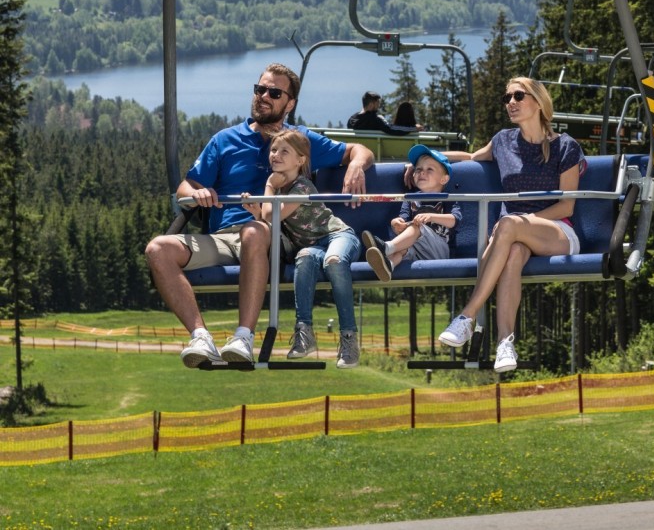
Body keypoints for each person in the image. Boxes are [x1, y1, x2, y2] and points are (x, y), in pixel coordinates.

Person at [145, 63, 373, 368]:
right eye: (259, 89)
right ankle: (200, 336)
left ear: (289, 103)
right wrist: (195, 193)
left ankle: (243, 336)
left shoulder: (297, 141)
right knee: (158, 249)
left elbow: (358, 150)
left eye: (274, 93)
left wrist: (356, 165)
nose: (264, 96)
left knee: (254, 231)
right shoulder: (225, 141)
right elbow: (188, 185)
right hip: (225, 237)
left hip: (272, 235)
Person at [433, 77, 584, 373]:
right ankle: (505, 343)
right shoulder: (503, 141)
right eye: (507, 98)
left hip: (556, 231)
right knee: (513, 251)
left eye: (518, 96)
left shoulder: (565, 146)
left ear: (539, 102)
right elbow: (472, 157)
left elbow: (567, 205)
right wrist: (427, 159)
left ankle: (467, 316)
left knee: (509, 226)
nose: (511, 103)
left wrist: (522, 222)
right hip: (512, 234)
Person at [241, 129, 363, 368]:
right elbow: (267, 218)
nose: (276, 155)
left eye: (284, 151)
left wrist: (268, 186)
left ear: (300, 160)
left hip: (338, 236)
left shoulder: (302, 187)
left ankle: (349, 338)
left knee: (334, 261)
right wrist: (254, 210)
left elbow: (272, 215)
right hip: (313, 246)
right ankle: (304, 332)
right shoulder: (280, 191)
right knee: (304, 257)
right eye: (274, 150)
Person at [362, 144, 461, 283]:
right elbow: (402, 219)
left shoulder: (448, 198)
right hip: (417, 251)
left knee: (416, 227)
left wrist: (431, 217)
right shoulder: (411, 198)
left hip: (440, 252)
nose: (422, 172)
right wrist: (396, 223)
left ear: (444, 179)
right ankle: (388, 265)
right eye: (418, 169)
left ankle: (385, 248)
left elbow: (454, 220)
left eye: (429, 169)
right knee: (402, 249)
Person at [347, 91, 415, 135]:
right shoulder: (376, 120)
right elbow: (392, 129)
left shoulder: (351, 120)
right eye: (377, 103)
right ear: (371, 104)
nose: (378, 106)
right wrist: (413, 128)